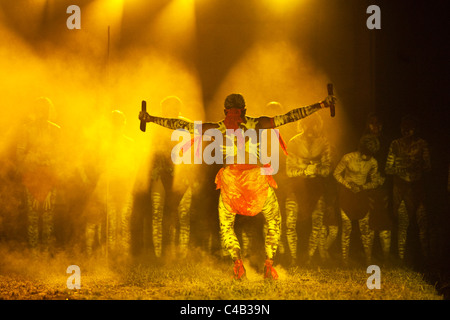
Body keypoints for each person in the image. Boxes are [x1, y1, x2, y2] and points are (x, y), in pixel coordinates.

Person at [139, 92, 336, 279]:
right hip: (254, 178)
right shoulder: (257, 124)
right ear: (244, 109)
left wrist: (151, 118)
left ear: (226, 110)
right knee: (274, 220)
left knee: (227, 225)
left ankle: (238, 263)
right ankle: (269, 263)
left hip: (231, 180)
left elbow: (181, 125)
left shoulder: (217, 127)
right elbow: (290, 117)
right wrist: (321, 104)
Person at [285, 113, 337, 266]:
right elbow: (289, 170)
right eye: (307, 124)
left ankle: (309, 257)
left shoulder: (324, 142)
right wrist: (305, 170)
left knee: (317, 224)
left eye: (313, 124)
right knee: (290, 223)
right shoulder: (294, 142)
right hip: (296, 187)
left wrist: (313, 170)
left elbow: (328, 169)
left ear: (318, 125)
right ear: (302, 125)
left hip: (316, 187)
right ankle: (293, 258)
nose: (310, 128)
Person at [16, 97, 61, 255]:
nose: (42, 113)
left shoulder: (55, 130)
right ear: (35, 111)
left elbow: (60, 158)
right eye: (39, 109)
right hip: (32, 178)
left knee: (48, 218)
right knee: (32, 218)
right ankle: (34, 256)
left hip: (50, 178)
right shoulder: (26, 129)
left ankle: (46, 256)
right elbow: (20, 156)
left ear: (50, 111)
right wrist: (33, 164)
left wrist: (50, 178)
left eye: (45, 109)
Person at [385, 115, 431, 264]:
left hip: (417, 187)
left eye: (409, 128)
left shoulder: (422, 144)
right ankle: (401, 258)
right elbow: (387, 168)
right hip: (401, 187)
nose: (406, 131)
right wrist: (402, 168)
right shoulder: (395, 144)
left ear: (414, 129)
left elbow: (428, 166)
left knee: (422, 224)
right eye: (404, 128)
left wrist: (413, 167)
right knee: (402, 225)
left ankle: (425, 257)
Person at [333, 134, 381, 266]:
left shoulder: (373, 162)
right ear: (361, 149)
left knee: (365, 230)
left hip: (361, 196)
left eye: (370, 154)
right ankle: (344, 260)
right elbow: (336, 173)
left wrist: (362, 187)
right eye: (365, 153)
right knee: (346, 229)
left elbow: (375, 182)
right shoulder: (348, 158)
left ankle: (368, 260)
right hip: (346, 196)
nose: (367, 157)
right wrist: (349, 185)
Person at [363, 113, 393, 263]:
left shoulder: (388, 142)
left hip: (383, 184)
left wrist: (384, 180)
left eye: (378, 123)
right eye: (372, 123)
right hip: (368, 185)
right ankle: (369, 254)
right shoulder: (363, 141)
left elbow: (389, 165)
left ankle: (385, 255)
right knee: (368, 219)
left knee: (383, 217)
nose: (376, 127)